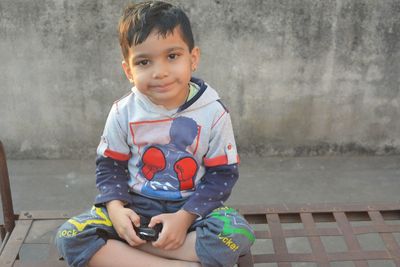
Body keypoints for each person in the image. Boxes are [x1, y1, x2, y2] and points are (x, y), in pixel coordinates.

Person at [55, 1, 255, 266]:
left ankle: (130, 250)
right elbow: (110, 166)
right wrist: (116, 210)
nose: (160, 72)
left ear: (192, 58)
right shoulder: (123, 111)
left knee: (236, 235)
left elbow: (222, 175)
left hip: (193, 210)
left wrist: (184, 219)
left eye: (172, 56)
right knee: (69, 236)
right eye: (144, 61)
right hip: (135, 210)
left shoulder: (213, 113)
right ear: (128, 70)